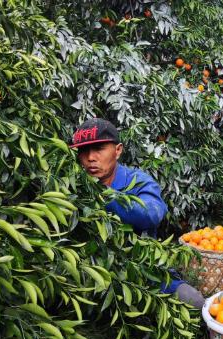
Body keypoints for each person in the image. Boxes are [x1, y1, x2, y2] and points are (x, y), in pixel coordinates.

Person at [70, 118, 204, 308]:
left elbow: (152, 214)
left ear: (118, 150)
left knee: (194, 301)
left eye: (99, 149)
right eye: (84, 151)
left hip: (144, 270)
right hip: (93, 270)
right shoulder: (73, 186)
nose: (91, 157)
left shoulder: (138, 181)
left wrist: (104, 195)